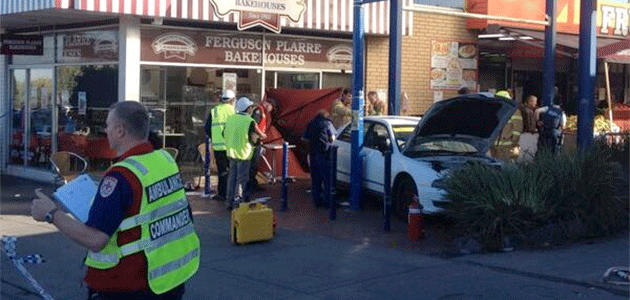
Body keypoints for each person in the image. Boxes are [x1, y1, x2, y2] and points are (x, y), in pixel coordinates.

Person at [31, 101, 200, 300]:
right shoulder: (165, 160)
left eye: (108, 125)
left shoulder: (121, 176)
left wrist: (51, 214)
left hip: (128, 285)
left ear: (120, 131)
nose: (105, 130)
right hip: (169, 279)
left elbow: (95, 240)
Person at [224, 97, 267, 210]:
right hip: (244, 153)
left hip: (231, 152)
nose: (251, 109)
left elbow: (224, 133)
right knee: (242, 179)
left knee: (232, 177)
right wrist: (263, 136)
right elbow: (258, 135)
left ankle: (229, 201)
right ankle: (239, 201)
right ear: (247, 109)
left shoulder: (230, 119)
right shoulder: (249, 121)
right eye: (250, 107)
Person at [204, 90, 236, 202]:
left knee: (222, 171)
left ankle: (222, 194)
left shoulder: (214, 110)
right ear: (232, 100)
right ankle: (233, 194)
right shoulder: (234, 111)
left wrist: (215, 138)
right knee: (233, 171)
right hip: (232, 146)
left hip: (218, 147)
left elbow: (207, 128)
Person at [301, 110, 337, 208]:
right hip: (324, 154)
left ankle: (317, 201)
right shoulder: (327, 124)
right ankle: (328, 202)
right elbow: (333, 138)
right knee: (327, 179)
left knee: (316, 180)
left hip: (313, 153)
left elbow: (304, 138)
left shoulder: (310, 124)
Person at [249, 99, 275, 191]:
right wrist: (261, 134)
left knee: (255, 163)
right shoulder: (259, 111)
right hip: (255, 140)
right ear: (268, 105)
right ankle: (251, 185)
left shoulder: (262, 111)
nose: (270, 110)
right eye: (271, 108)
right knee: (253, 163)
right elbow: (254, 125)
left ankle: (253, 184)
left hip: (257, 140)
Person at [492, 90, 522, 161]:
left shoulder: (514, 112)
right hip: (495, 146)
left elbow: (517, 129)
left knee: (507, 167)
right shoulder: (496, 111)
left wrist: (513, 142)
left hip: (508, 146)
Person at [518, 95, 539, 162]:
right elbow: (528, 124)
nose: (536, 103)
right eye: (535, 102)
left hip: (525, 133)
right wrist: (534, 130)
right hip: (527, 133)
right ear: (530, 102)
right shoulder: (527, 111)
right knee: (528, 151)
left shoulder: (526, 109)